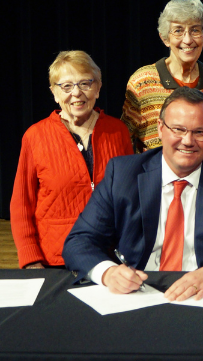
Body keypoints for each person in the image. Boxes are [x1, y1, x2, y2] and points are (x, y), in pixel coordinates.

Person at [63, 87, 203, 301]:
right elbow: (80, 241)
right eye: (178, 129)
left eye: (199, 132)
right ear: (160, 129)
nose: (188, 141)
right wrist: (108, 272)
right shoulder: (123, 174)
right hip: (136, 293)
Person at [10, 51, 133, 269]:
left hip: (110, 257)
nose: (76, 93)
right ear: (54, 93)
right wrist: (31, 260)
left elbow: (130, 196)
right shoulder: (35, 136)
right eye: (66, 86)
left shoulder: (118, 131)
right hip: (56, 260)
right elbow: (21, 204)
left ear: (98, 86)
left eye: (85, 83)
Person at [121, 0, 203, 160]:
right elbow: (124, 140)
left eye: (195, 30)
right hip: (159, 181)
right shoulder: (142, 81)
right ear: (165, 38)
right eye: (178, 31)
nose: (187, 40)